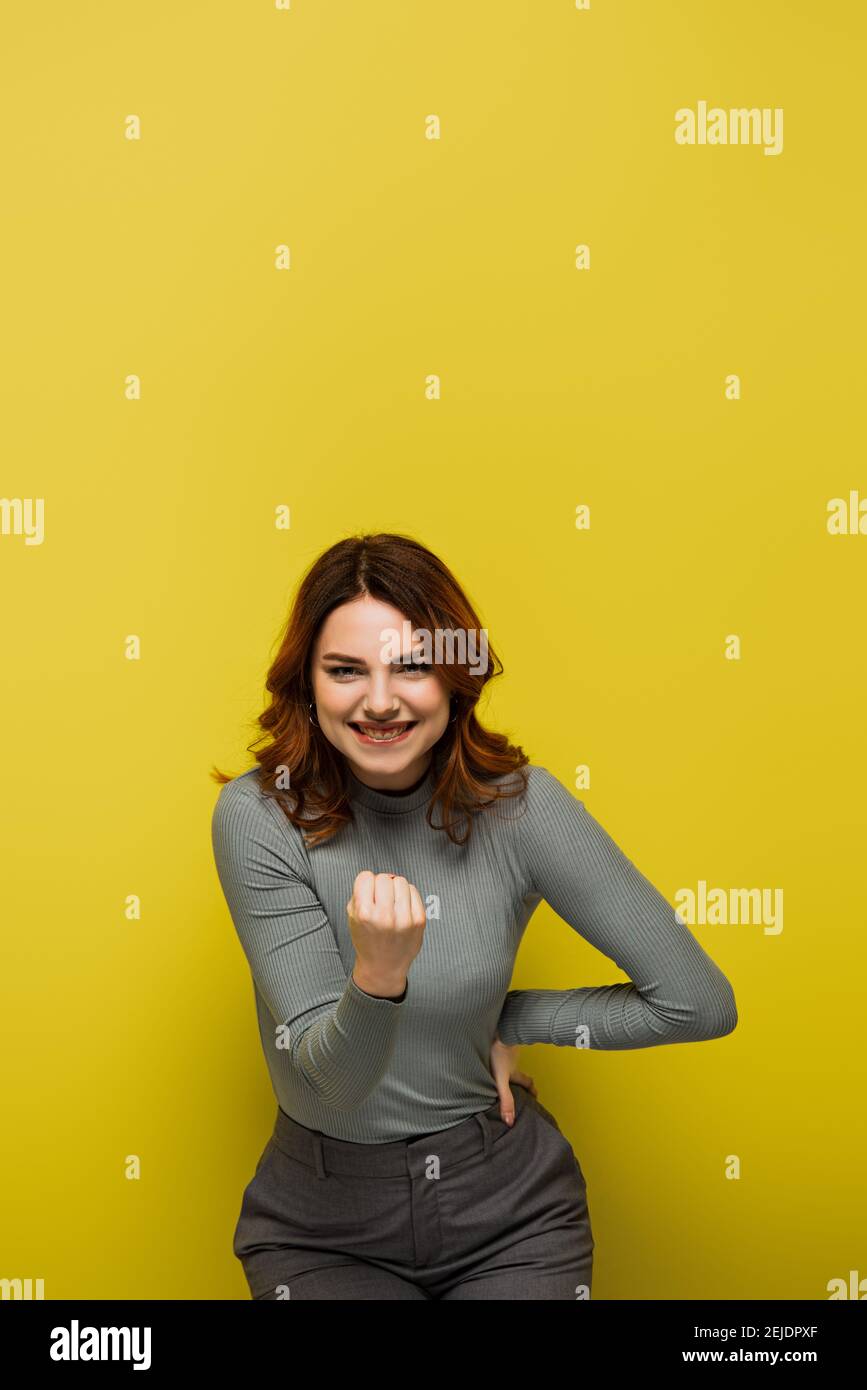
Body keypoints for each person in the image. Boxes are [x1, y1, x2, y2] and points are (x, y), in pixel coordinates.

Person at [210, 532, 738, 1300]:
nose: (379, 701)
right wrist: (379, 977)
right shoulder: (260, 816)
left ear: (456, 679)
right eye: (345, 670)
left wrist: (508, 1019)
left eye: (411, 666)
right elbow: (331, 1087)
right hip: (321, 1224)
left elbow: (698, 1002)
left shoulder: (520, 809)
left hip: (508, 1211)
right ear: (307, 684)